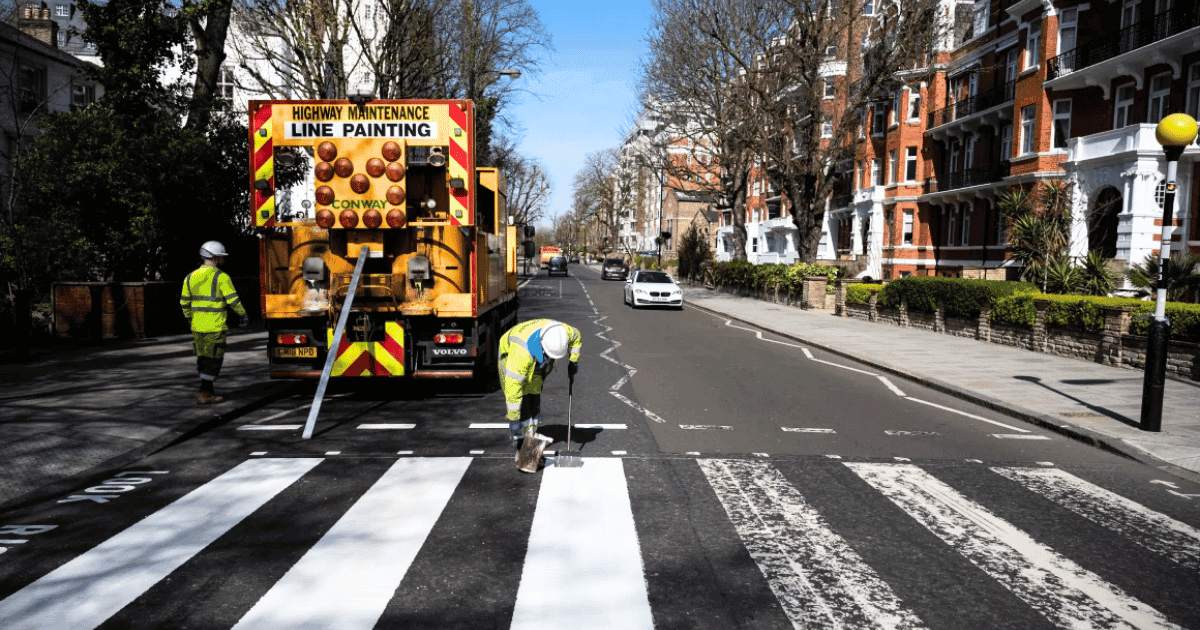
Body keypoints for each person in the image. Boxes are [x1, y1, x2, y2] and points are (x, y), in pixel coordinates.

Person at [180, 241, 247, 404]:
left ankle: (206, 391)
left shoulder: (190, 277)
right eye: (221, 257)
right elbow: (233, 301)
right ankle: (205, 393)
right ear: (214, 258)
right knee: (214, 360)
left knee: (203, 358)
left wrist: (190, 318)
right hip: (215, 327)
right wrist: (243, 315)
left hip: (197, 327)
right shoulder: (221, 277)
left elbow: (184, 302)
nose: (223, 260)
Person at [498, 319, 582, 448]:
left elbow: (576, 337)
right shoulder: (521, 354)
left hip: (534, 354)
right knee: (521, 398)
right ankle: (519, 438)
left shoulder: (564, 332)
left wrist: (573, 361)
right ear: (542, 348)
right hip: (510, 354)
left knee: (534, 395)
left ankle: (531, 434)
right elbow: (513, 387)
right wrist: (514, 419)